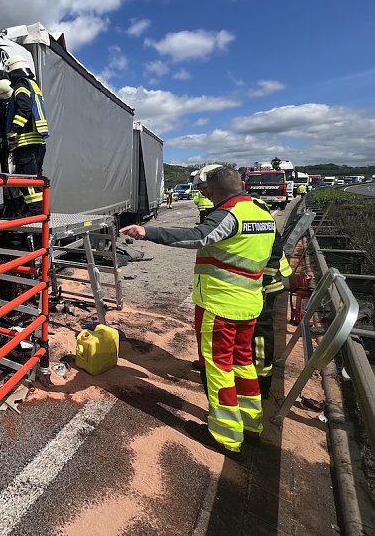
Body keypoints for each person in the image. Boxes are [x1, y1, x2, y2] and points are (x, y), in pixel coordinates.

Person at [120, 165, 275, 456]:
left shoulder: (229, 214)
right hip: (250, 303)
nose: (206, 194)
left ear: (213, 190)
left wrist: (147, 232)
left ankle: (226, 437)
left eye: (206, 190)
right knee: (243, 363)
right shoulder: (261, 212)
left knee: (219, 368)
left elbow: (197, 236)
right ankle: (251, 426)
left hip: (221, 305)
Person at [1, 55, 50, 215]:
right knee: (35, 180)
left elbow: (24, 109)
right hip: (37, 143)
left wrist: (14, 130)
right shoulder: (32, 85)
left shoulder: (21, 86)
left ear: (12, 71)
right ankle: (42, 211)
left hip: (26, 143)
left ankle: (36, 212)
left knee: (27, 180)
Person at [253, 225, 293, 399]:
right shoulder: (260, 215)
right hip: (263, 283)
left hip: (264, 286)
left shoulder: (255, 218)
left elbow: (272, 253)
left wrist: (263, 283)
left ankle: (261, 380)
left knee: (260, 334)